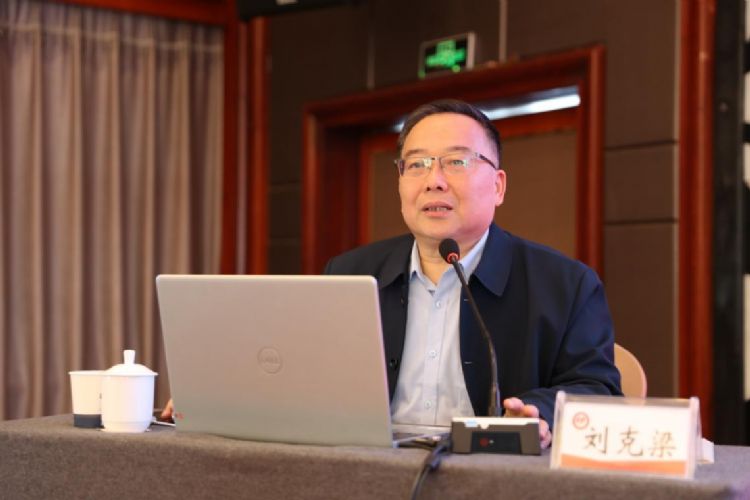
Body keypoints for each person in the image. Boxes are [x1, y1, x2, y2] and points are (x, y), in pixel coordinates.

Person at [323, 99, 622, 449]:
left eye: (456, 162)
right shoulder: (349, 275)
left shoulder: (566, 285)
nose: (434, 181)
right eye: (417, 164)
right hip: (367, 463)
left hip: (494, 467)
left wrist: (538, 411)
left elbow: (598, 390)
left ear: (498, 186)